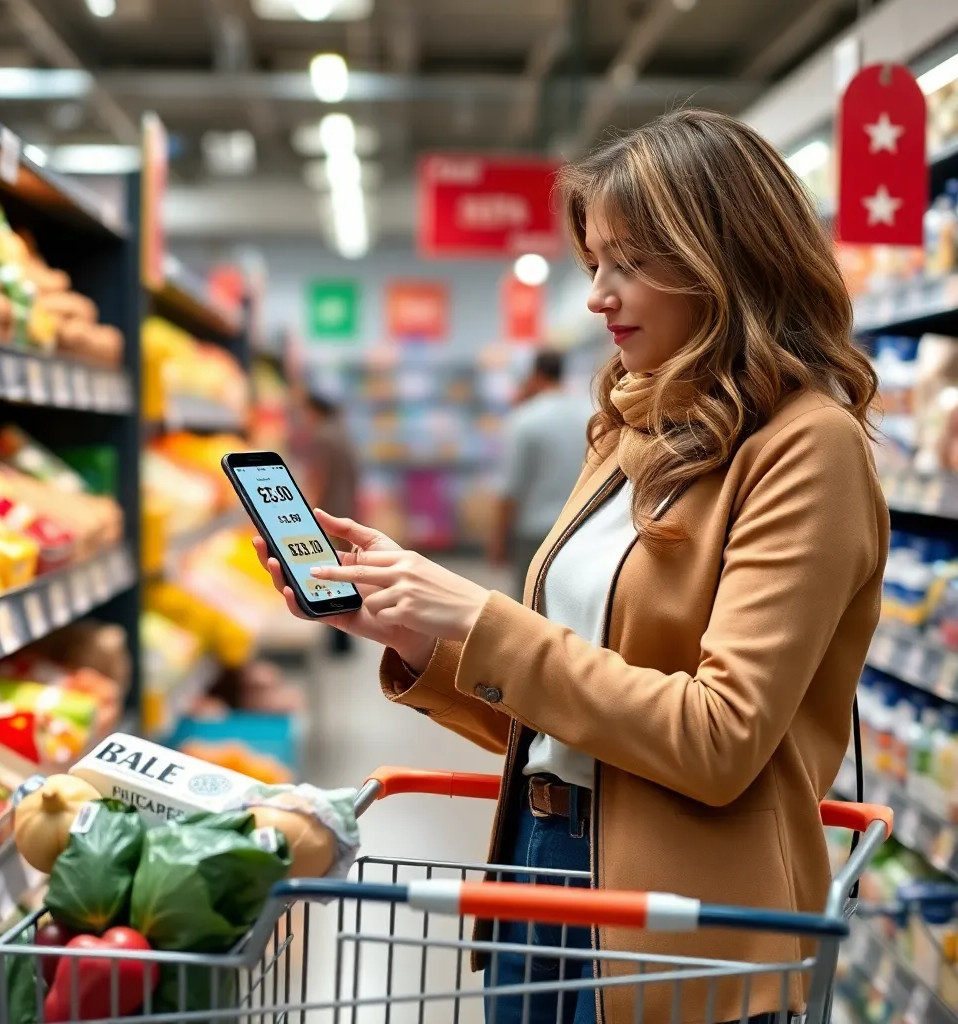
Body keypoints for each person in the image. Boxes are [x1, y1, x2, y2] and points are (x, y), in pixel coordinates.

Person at [254, 108, 888, 1023]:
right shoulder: (629, 430)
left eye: (628, 262)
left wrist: (479, 617)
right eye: (594, 263)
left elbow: (720, 739)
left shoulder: (807, 447)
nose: (597, 295)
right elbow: (572, 712)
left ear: (722, 259)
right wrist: (417, 631)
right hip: (540, 870)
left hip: (678, 920)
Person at [490, 350, 594, 598]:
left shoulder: (524, 419)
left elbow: (510, 490)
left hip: (534, 534)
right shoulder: (590, 414)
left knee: (530, 605)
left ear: (534, 376)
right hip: (581, 528)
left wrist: (498, 539)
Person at [301, 390, 359, 655]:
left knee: (329, 571)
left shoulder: (323, 437)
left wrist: (308, 510)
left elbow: (319, 477)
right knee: (343, 572)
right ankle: (346, 636)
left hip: (328, 512)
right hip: (345, 508)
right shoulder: (343, 433)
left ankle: (338, 635)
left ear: (315, 410)